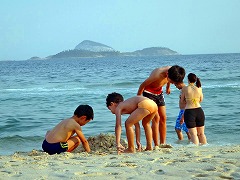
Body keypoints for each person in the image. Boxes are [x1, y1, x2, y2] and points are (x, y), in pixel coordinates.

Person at [137, 65, 185, 146]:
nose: (173, 83)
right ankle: (156, 145)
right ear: (167, 74)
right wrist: (138, 98)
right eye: (172, 82)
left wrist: (168, 87)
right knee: (156, 118)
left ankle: (163, 143)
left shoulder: (173, 71)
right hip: (149, 93)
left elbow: (170, 80)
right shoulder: (157, 75)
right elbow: (143, 85)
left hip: (159, 93)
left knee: (163, 118)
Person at [181, 73, 207, 145]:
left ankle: (195, 151)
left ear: (188, 80)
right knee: (201, 134)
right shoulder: (199, 88)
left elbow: (182, 101)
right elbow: (201, 99)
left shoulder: (185, 88)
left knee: (193, 134)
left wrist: (188, 100)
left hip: (189, 112)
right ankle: (206, 148)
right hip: (199, 111)